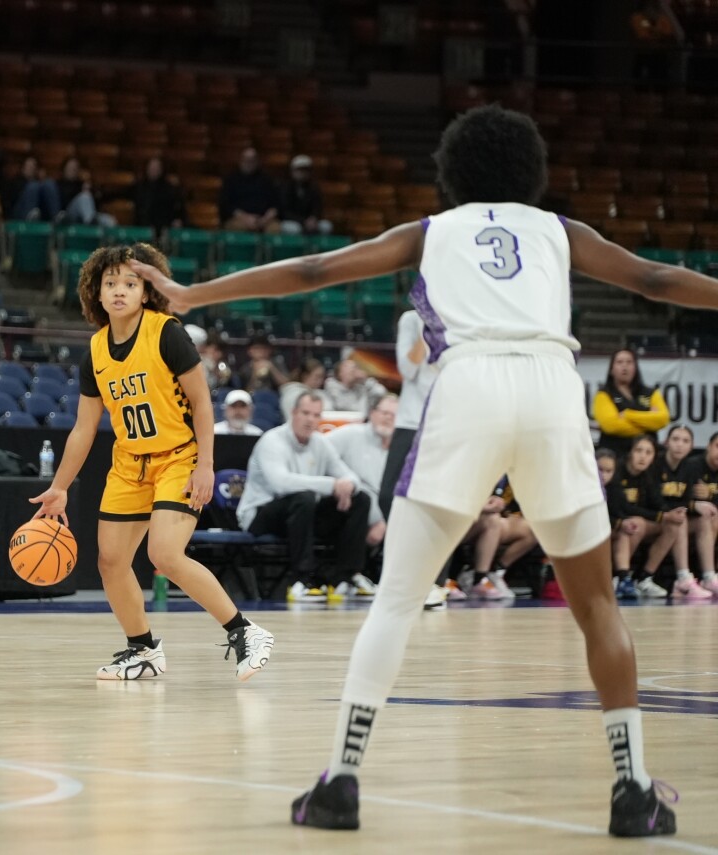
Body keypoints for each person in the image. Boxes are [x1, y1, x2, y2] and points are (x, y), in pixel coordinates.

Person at [134, 104, 701, 836]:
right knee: (598, 608)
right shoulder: (562, 231)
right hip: (552, 385)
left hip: (466, 387)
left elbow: (313, 269)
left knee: (398, 601)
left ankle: (340, 782)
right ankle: (633, 791)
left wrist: (191, 296)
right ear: (532, 171)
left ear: (451, 172)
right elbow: (656, 277)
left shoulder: (430, 231)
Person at [28, 244, 275, 681]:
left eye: (130, 282)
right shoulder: (97, 350)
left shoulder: (166, 333)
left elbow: (202, 404)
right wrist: (61, 485)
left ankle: (244, 631)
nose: (119, 290)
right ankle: (142, 649)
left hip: (178, 458)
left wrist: (205, 465)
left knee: (164, 552)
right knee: (110, 560)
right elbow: (84, 429)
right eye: (110, 283)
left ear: (146, 291)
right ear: (96, 294)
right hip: (129, 465)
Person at [238, 390, 372, 602]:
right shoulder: (272, 441)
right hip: (260, 515)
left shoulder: (320, 443)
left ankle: (345, 577)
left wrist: (348, 486)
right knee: (304, 497)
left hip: (301, 513)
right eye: (306, 413)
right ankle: (301, 580)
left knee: (361, 499)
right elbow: (281, 483)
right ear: (293, 413)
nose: (310, 420)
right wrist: (332, 485)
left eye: (316, 415)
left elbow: (349, 476)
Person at [608, 435, 689, 600]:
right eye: (639, 451)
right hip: (613, 523)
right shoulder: (617, 470)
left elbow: (657, 502)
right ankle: (619, 577)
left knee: (673, 524)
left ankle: (644, 578)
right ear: (630, 452)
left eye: (648, 452)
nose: (642, 456)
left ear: (653, 457)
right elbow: (623, 507)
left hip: (634, 524)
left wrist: (671, 513)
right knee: (636, 524)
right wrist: (662, 516)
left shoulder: (648, 475)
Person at [380, 310, 438, 519]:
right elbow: (407, 370)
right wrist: (427, 329)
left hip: (442, 422)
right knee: (388, 495)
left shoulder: (459, 319)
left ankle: (438, 551)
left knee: (436, 500)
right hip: (410, 420)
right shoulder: (411, 319)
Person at [326, 394, 398, 557]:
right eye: (384, 412)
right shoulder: (350, 434)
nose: (388, 418)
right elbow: (320, 455)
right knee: (362, 500)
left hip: (388, 512)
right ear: (372, 413)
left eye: (394, 415)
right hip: (348, 505)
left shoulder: (401, 449)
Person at [653, 425, 709, 598]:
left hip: (674, 518)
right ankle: (683, 577)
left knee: (704, 519)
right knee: (681, 518)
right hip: (654, 518)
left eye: (685, 441)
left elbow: (686, 499)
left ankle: (709, 576)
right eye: (675, 439)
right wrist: (692, 506)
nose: (679, 445)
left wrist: (702, 499)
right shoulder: (655, 464)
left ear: (691, 446)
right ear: (666, 442)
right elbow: (654, 500)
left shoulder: (691, 467)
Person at [593, 349, 669, 459]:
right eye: (619, 362)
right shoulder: (603, 394)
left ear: (635, 367)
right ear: (611, 369)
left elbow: (662, 419)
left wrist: (628, 415)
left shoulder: (651, 393)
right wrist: (648, 423)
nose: (625, 366)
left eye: (629, 362)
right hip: (614, 457)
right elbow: (611, 425)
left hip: (646, 458)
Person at [685, 432, 718, 594]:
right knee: (711, 518)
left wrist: (710, 496)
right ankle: (708, 576)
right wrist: (695, 502)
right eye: (717, 446)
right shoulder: (692, 466)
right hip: (688, 521)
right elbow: (677, 500)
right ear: (708, 447)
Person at [218, 148, 280, 234]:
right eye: (246, 160)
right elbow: (226, 205)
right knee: (237, 227)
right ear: (241, 161)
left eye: (252, 160)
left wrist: (264, 220)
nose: (249, 163)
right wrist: (245, 218)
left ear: (257, 161)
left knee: (275, 229)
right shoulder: (231, 180)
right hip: (239, 219)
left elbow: (275, 205)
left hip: (264, 219)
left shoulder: (267, 180)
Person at [280, 155, 333, 236]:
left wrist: (314, 218)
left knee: (326, 226)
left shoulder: (314, 188)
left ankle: (318, 248)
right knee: (294, 229)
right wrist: (303, 221)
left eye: (305, 170)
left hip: (310, 222)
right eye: (299, 170)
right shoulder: (286, 187)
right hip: (293, 221)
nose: (302, 173)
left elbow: (317, 207)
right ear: (292, 171)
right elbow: (285, 212)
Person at [132, 156, 184, 234]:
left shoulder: (169, 189)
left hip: (163, 227)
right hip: (142, 226)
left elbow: (176, 209)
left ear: (161, 170)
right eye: (151, 168)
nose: (153, 171)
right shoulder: (139, 187)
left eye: (156, 168)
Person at [2, 156, 60, 222]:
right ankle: (29, 219)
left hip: (39, 212)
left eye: (33, 166)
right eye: (29, 166)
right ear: (23, 168)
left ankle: (56, 218)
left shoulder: (40, 183)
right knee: (33, 186)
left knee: (49, 183)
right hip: (19, 212)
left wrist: (42, 180)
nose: (31, 168)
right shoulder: (15, 181)